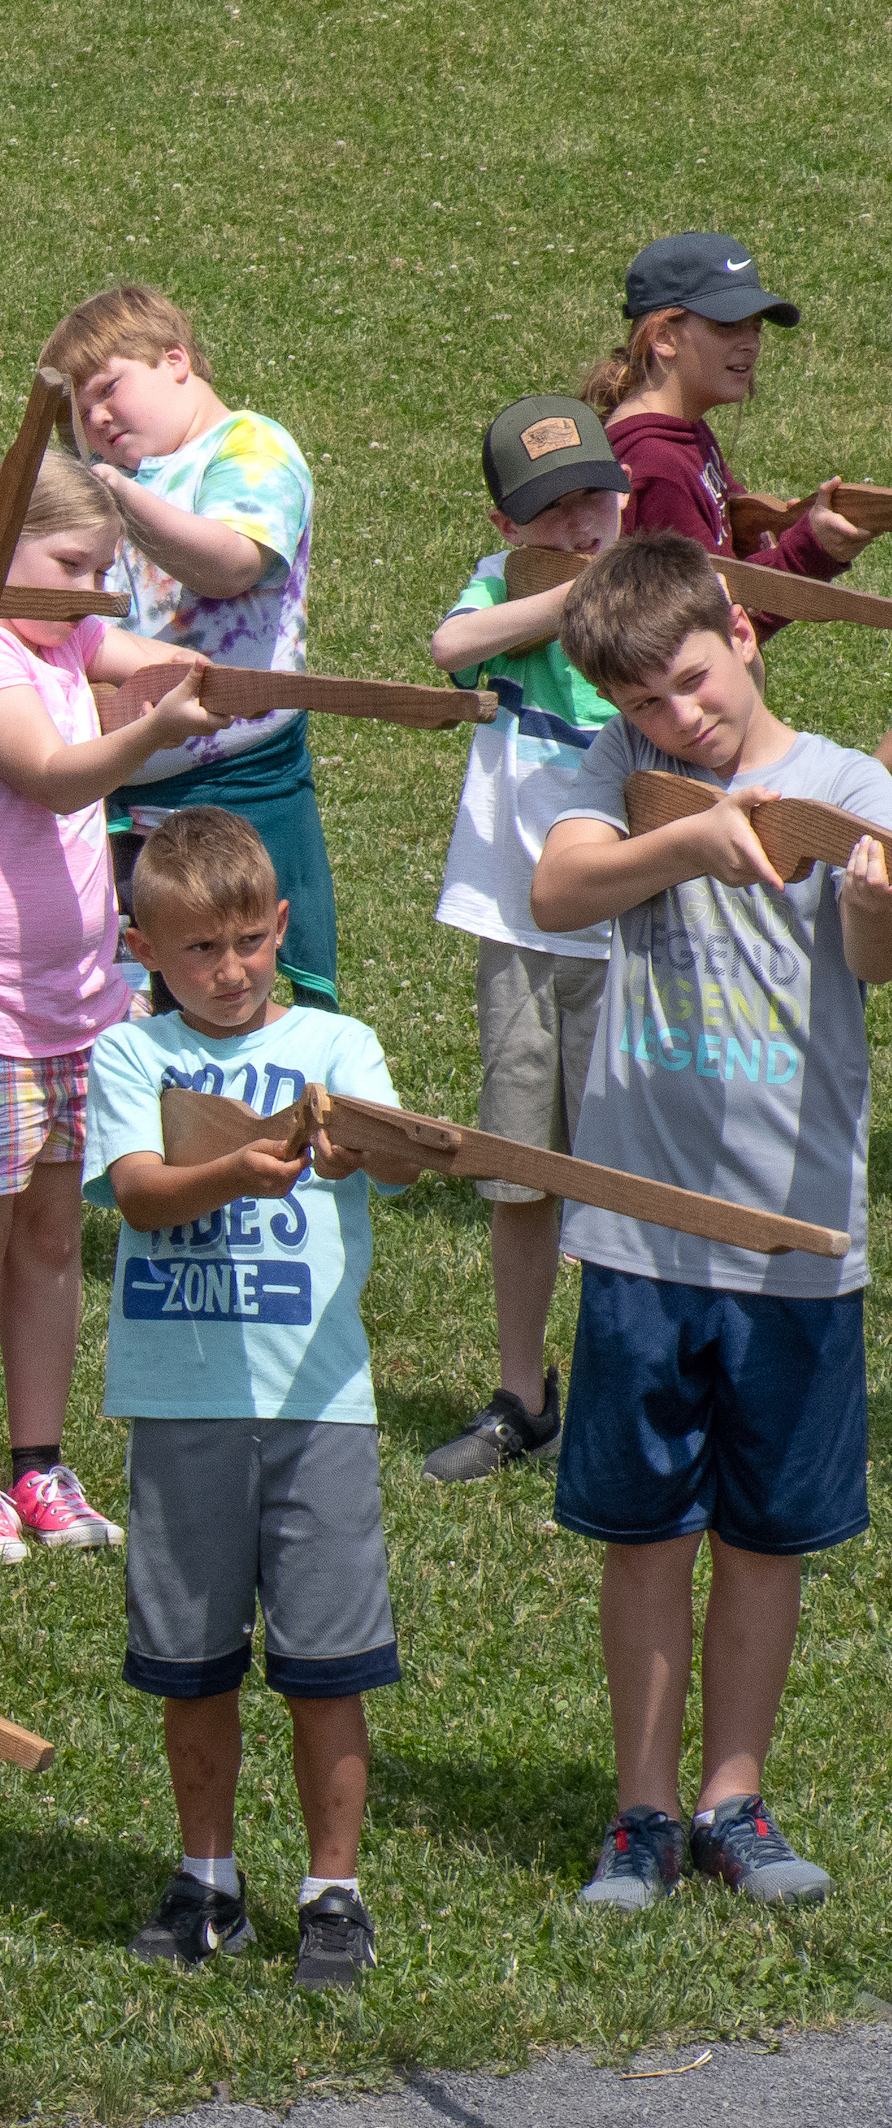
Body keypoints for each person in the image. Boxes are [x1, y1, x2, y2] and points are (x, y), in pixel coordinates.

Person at [521, 535, 892, 1912]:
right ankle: (641, 1812)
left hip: (793, 1236)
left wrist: (870, 904)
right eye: (644, 704)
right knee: (642, 1535)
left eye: (690, 681)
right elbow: (554, 889)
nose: (678, 718)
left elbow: (870, 965)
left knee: (762, 1538)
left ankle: (733, 1800)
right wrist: (688, 837)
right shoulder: (614, 773)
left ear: (741, 632)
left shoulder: (850, 789)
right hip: (640, 1234)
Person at [80, 812, 405, 1992]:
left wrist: (366, 1147)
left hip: (320, 1403)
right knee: (191, 1664)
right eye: (196, 951)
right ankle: (205, 1879)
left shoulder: (337, 1042)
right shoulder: (130, 1055)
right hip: (181, 1403)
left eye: (246, 942)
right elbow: (137, 1193)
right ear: (142, 951)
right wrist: (236, 1168)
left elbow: (402, 1155)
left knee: (327, 1666)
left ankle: (332, 1893)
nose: (227, 971)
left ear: (279, 925)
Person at [0, 446, 216, 1568]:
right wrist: (149, 730)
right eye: (71, 565)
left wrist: (182, 672)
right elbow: (47, 772)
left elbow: (157, 658)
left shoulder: (61, 636)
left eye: (102, 571)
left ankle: (38, 1461)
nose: (92, 591)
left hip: (74, 1001)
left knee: (48, 1235)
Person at [420, 401, 636, 1486]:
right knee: (517, 1172)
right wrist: (561, 597)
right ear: (509, 526)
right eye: (555, 510)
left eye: (597, 497)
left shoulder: (650, 592)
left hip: (626, 932)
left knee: (621, 1178)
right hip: (512, 923)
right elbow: (450, 646)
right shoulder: (501, 584)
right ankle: (522, 1395)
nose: (584, 522)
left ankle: (619, 1389)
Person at [43, 284, 337, 1004]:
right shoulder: (123, 478)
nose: (97, 418)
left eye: (108, 389)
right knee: (144, 1001)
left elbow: (232, 563)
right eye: (81, 411)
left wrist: (121, 498)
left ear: (174, 360)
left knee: (235, 991)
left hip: (238, 786)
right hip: (124, 790)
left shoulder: (247, 443)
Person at [586, 235, 872, 593]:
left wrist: (783, 527)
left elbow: (733, 528)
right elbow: (709, 619)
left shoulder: (683, 431)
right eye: (726, 325)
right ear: (664, 337)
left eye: (755, 326)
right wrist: (810, 551)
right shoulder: (657, 465)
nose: (751, 344)